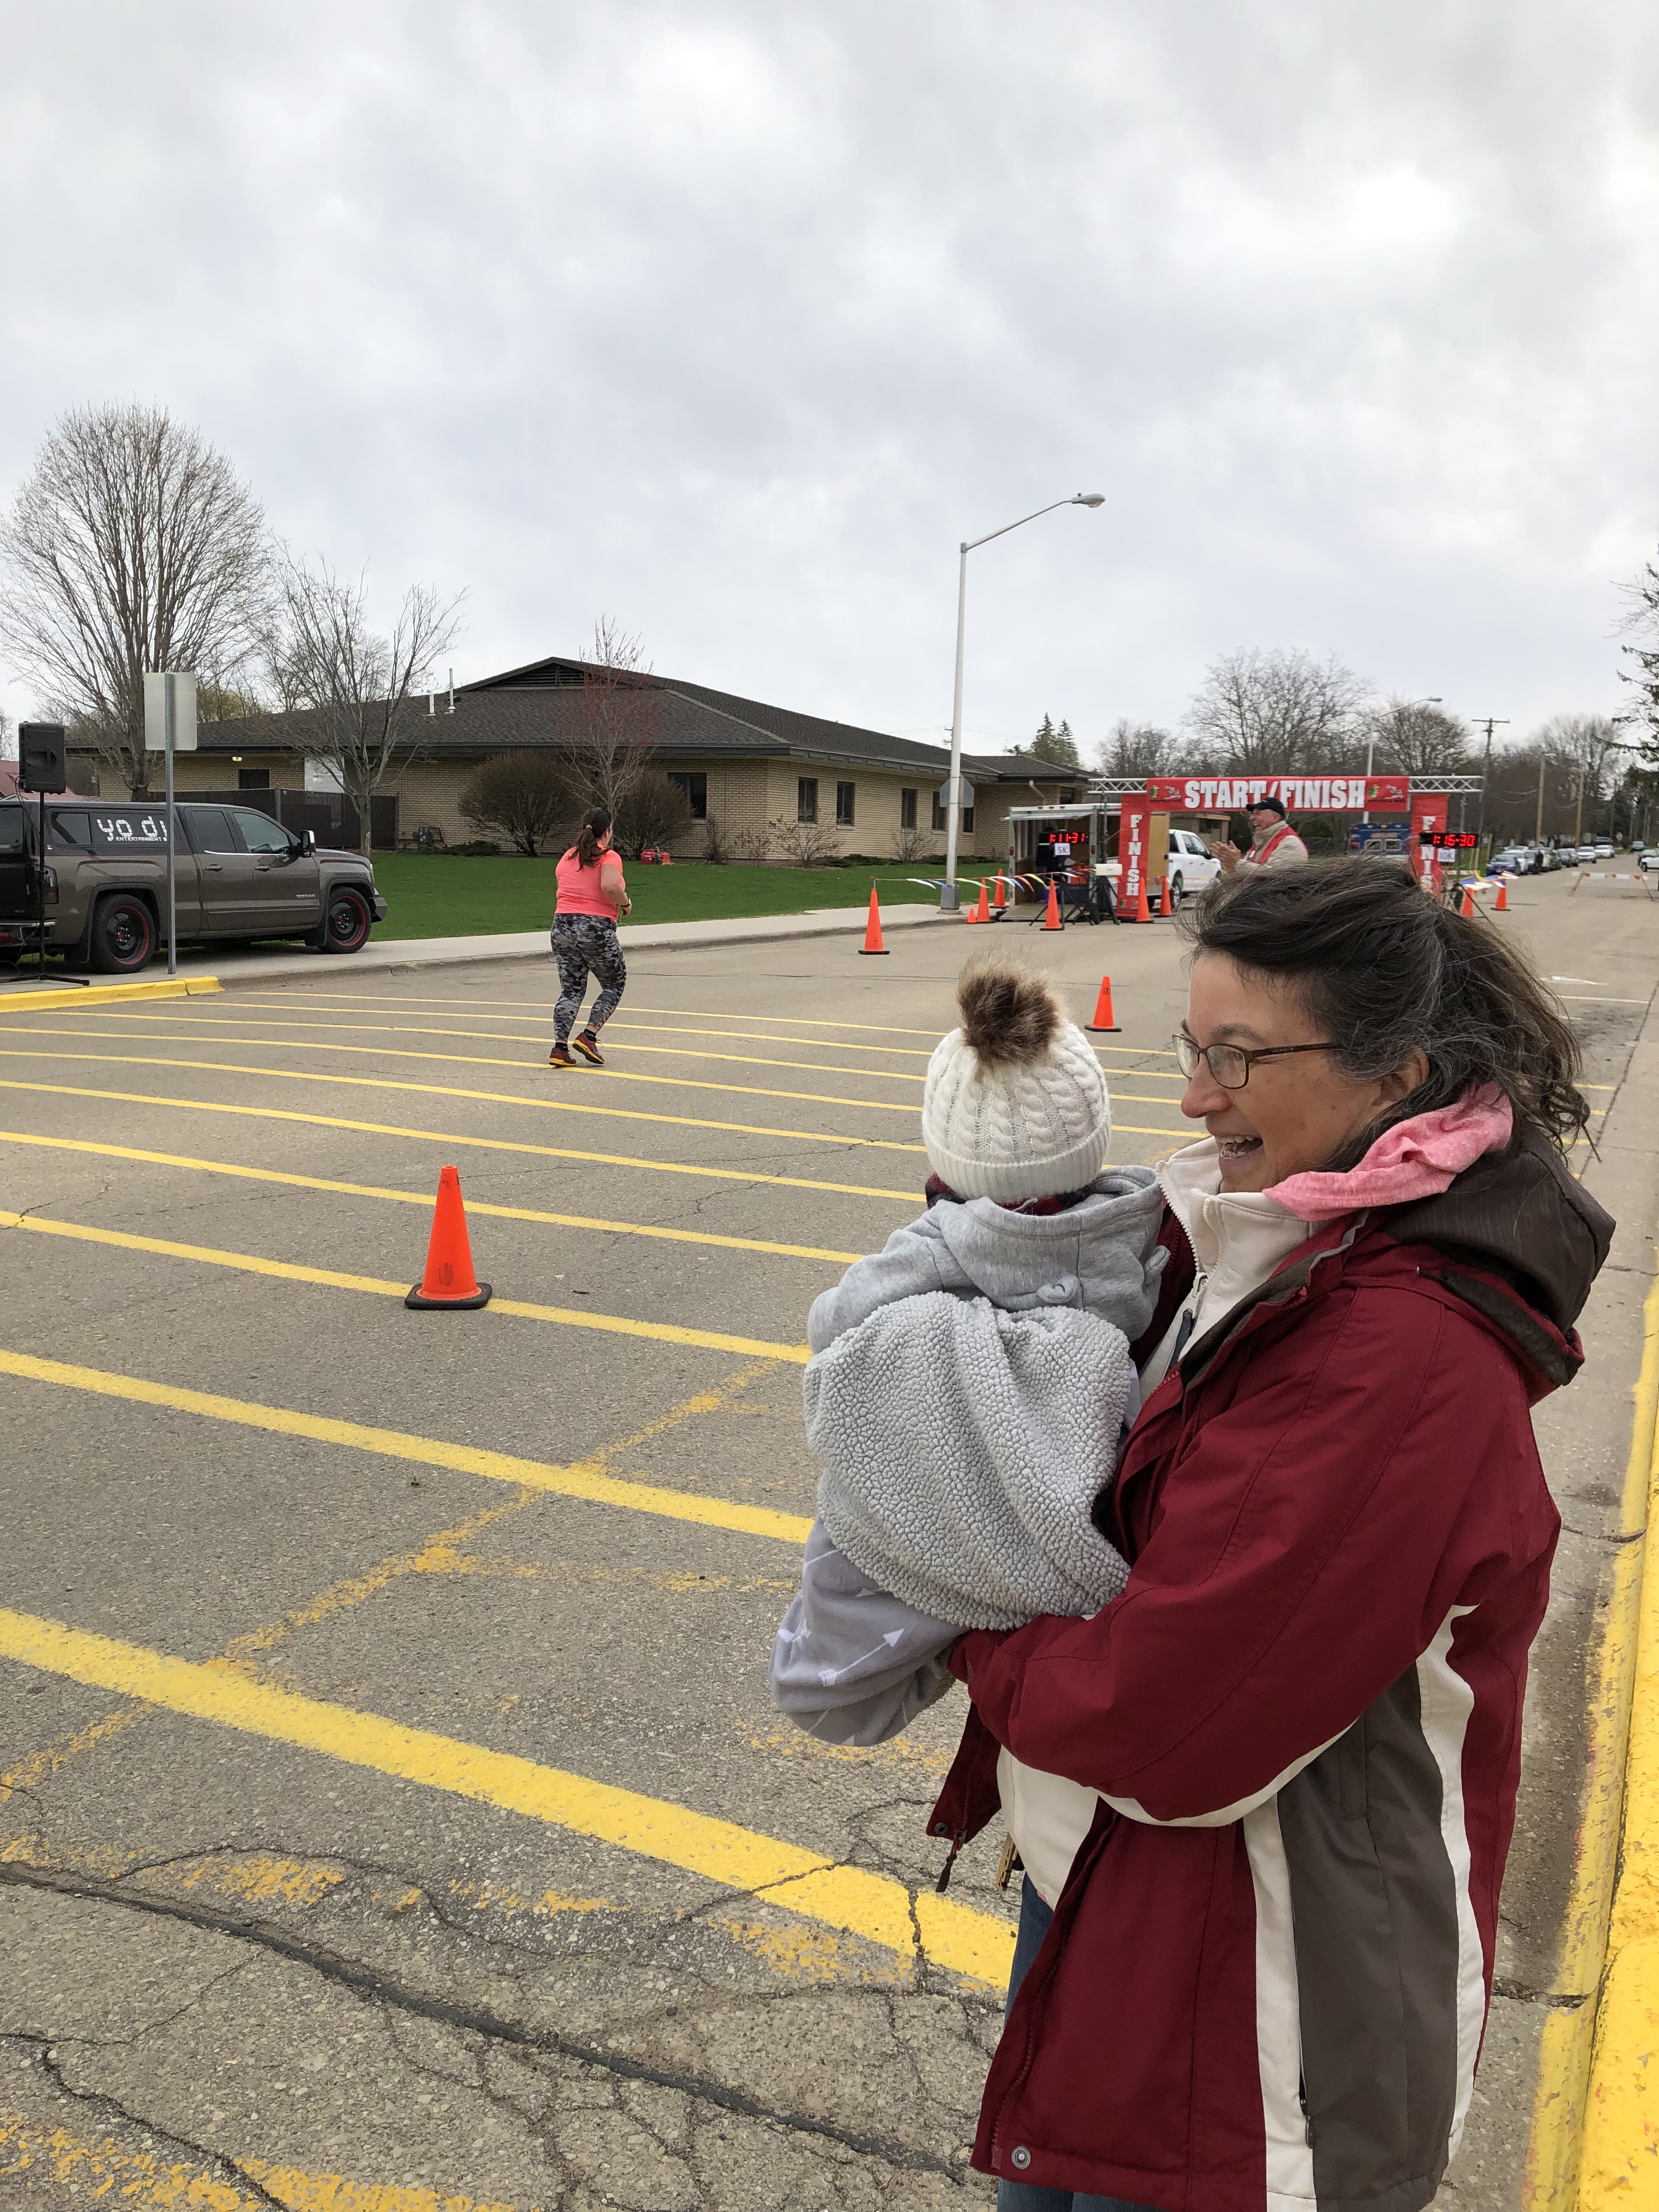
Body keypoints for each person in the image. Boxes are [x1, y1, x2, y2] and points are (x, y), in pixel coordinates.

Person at [919, 858, 1610, 2211]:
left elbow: (1167, 1723)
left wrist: (962, 1621)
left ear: (1396, 1073)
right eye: (1189, 1050)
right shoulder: (1279, 1237)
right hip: (1126, 1898)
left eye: (1234, 1057)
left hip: (1263, 2002)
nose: (1194, 1097)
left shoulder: (1397, 1357)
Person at [769, 958, 1166, 1750]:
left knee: (818, 1681)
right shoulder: (1140, 1235)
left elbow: (832, 1326)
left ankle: (925, 1640)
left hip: (941, 1509)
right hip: (1073, 1514)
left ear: (948, 1155)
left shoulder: (930, 1253)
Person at [549, 806, 631, 1070]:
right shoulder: (608, 856)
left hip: (562, 926)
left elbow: (563, 886)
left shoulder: (569, 856)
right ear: (607, 831)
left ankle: (560, 1048)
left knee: (571, 990)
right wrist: (626, 903)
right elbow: (610, 885)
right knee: (614, 984)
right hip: (594, 927)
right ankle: (589, 1036)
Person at [1213, 792, 1308, 874]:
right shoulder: (1262, 843)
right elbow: (1245, 877)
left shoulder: (1290, 843)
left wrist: (1238, 864)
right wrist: (1230, 867)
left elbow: (1274, 876)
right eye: (1253, 814)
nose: (1252, 818)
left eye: (1258, 814)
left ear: (1275, 817)